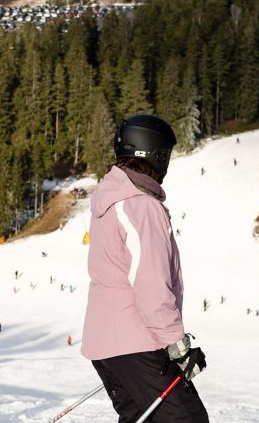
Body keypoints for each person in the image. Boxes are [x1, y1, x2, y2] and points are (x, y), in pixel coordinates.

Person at [82, 115, 208, 422]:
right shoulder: (140, 205)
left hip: (108, 345)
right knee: (187, 419)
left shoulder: (111, 199)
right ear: (155, 153)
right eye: (166, 154)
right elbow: (150, 284)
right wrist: (177, 344)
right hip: (137, 342)